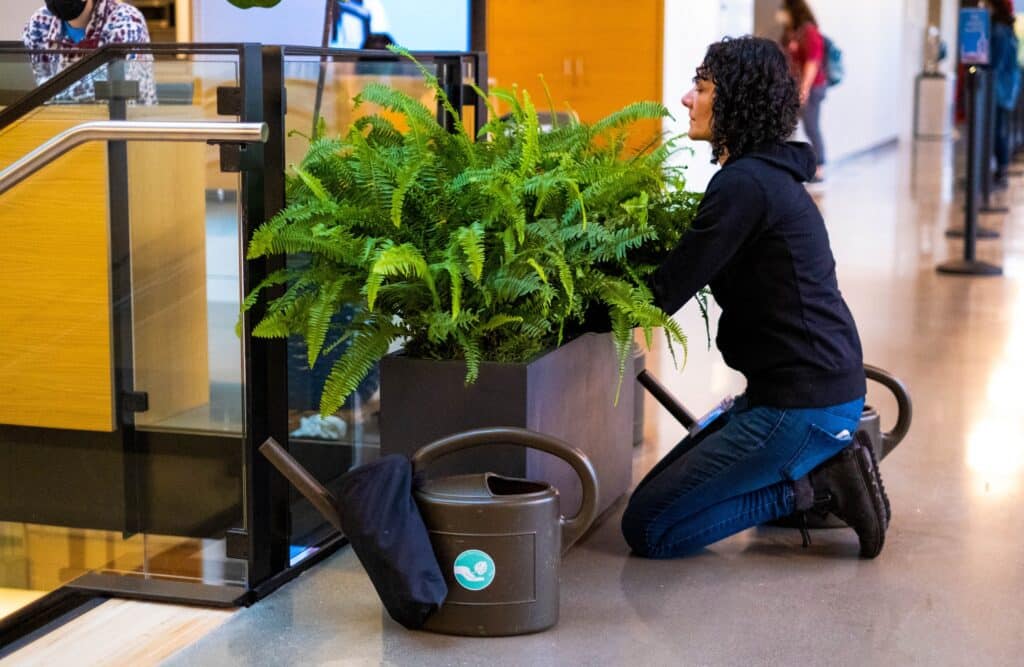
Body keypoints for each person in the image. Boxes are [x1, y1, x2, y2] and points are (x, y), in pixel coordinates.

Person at [620, 37, 889, 560]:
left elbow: (662, 293)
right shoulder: (760, 177)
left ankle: (821, 486)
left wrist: (567, 314)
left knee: (649, 527)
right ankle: (805, 473)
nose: (686, 99)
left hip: (803, 404)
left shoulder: (746, 185)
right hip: (794, 393)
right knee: (662, 495)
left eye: (701, 88)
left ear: (735, 100)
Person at [23, 0, 156, 104]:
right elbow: (26, 83)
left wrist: (43, 93)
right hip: (54, 122)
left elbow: (111, 87)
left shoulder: (127, 19)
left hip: (123, 124)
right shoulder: (39, 22)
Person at [778, 0, 828, 182]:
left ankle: (819, 169)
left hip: (813, 88)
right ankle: (788, 165)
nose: (780, 14)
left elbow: (813, 62)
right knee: (787, 125)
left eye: (784, 9)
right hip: (795, 87)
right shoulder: (791, 32)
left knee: (811, 127)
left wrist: (804, 89)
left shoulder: (809, 31)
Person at [991, 0, 1021, 186]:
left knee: (996, 129)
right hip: (1006, 87)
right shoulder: (1007, 30)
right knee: (999, 128)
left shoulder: (999, 30)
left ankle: (1001, 171)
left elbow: (995, 62)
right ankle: (1001, 169)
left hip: (998, 88)